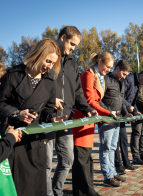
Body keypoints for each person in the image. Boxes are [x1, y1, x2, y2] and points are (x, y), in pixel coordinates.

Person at [0, 39, 67, 196]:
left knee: (37, 186)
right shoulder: (12, 75)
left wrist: (52, 119)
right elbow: (0, 104)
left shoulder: (50, 82)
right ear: (38, 55)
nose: (49, 66)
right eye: (48, 61)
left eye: (53, 63)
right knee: (19, 187)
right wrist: (17, 113)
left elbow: (47, 110)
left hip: (36, 141)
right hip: (15, 139)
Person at [46, 26, 97, 196]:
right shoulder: (47, 58)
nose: (74, 48)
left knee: (67, 160)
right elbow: (36, 85)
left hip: (66, 119)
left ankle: (57, 191)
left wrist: (87, 109)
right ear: (62, 37)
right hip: (46, 120)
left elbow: (77, 92)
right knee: (46, 164)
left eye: (76, 45)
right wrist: (49, 101)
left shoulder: (73, 63)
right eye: (72, 43)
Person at [71, 52, 114, 196]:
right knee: (81, 158)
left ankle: (85, 190)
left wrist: (106, 112)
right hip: (81, 120)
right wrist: (108, 113)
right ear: (100, 61)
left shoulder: (98, 76)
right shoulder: (88, 75)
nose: (109, 70)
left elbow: (96, 101)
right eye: (108, 66)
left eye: (110, 68)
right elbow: (89, 101)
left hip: (89, 120)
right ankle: (85, 191)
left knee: (87, 157)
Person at [99, 60, 133, 187]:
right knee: (106, 148)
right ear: (117, 69)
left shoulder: (121, 82)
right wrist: (108, 112)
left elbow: (122, 100)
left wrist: (125, 113)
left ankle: (112, 172)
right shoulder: (105, 80)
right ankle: (107, 177)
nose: (124, 77)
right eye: (123, 74)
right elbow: (98, 100)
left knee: (113, 147)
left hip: (117, 118)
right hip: (107, 119)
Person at [114, 69, 143, 175]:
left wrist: (135, 111)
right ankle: (118, 165)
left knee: (124, 140)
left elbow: (133, 100)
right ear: (142, 75)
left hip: (125, 113)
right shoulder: (129, 80)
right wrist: (128, 107)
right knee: (116, 142)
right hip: (118, 113)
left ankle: (127, 163)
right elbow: (121, 96)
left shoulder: (138, 83)